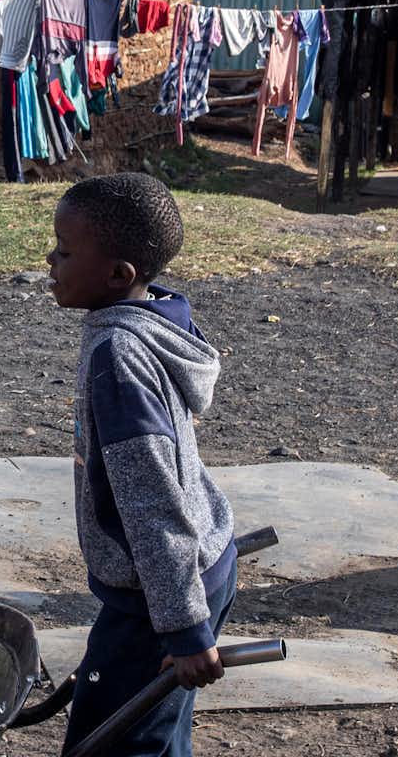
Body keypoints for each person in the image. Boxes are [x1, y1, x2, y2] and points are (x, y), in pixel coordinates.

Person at [49, 173, 236, 757]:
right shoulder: (155, 321)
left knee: (115, 747)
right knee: (156, 737)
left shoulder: (120, 355)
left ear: (117, 275)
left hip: (161, 598)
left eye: (64, 250)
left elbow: (151, 500)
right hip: (194, 567)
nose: (49, 260)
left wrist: (183, 629)